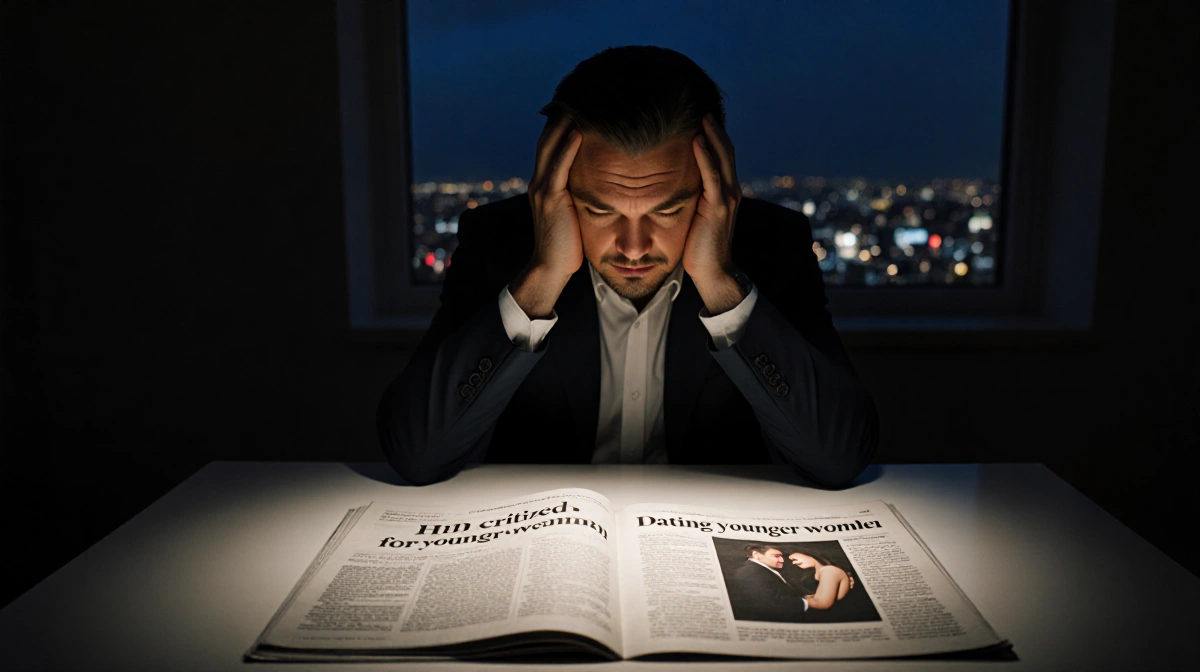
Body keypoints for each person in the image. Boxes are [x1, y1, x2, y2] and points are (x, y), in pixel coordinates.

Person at [377, 45, 879, 486]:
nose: (633, 247)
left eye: (667, 210)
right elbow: (417, 454)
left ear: (715, 188)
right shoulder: (498, 243)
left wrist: (721, 285)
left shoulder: (772, 246)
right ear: (557, 186)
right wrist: (541, 280)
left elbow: (839, 459)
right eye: (600, 211)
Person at [727, 544, 808, 623]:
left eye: (781, 556)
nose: (782, 560)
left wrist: (805, 597)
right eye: (776, 556)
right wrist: (807, 603)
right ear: (756, 554)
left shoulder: (764, 569)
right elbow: (770, 604)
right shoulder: (749, 571)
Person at [786, 550, 851, 610]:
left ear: (807, 553)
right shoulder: (816, 574)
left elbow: (822, 603)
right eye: (792, 561)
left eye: (794, 558)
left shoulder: (829, 570)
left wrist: (786, 603)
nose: (794, 562)